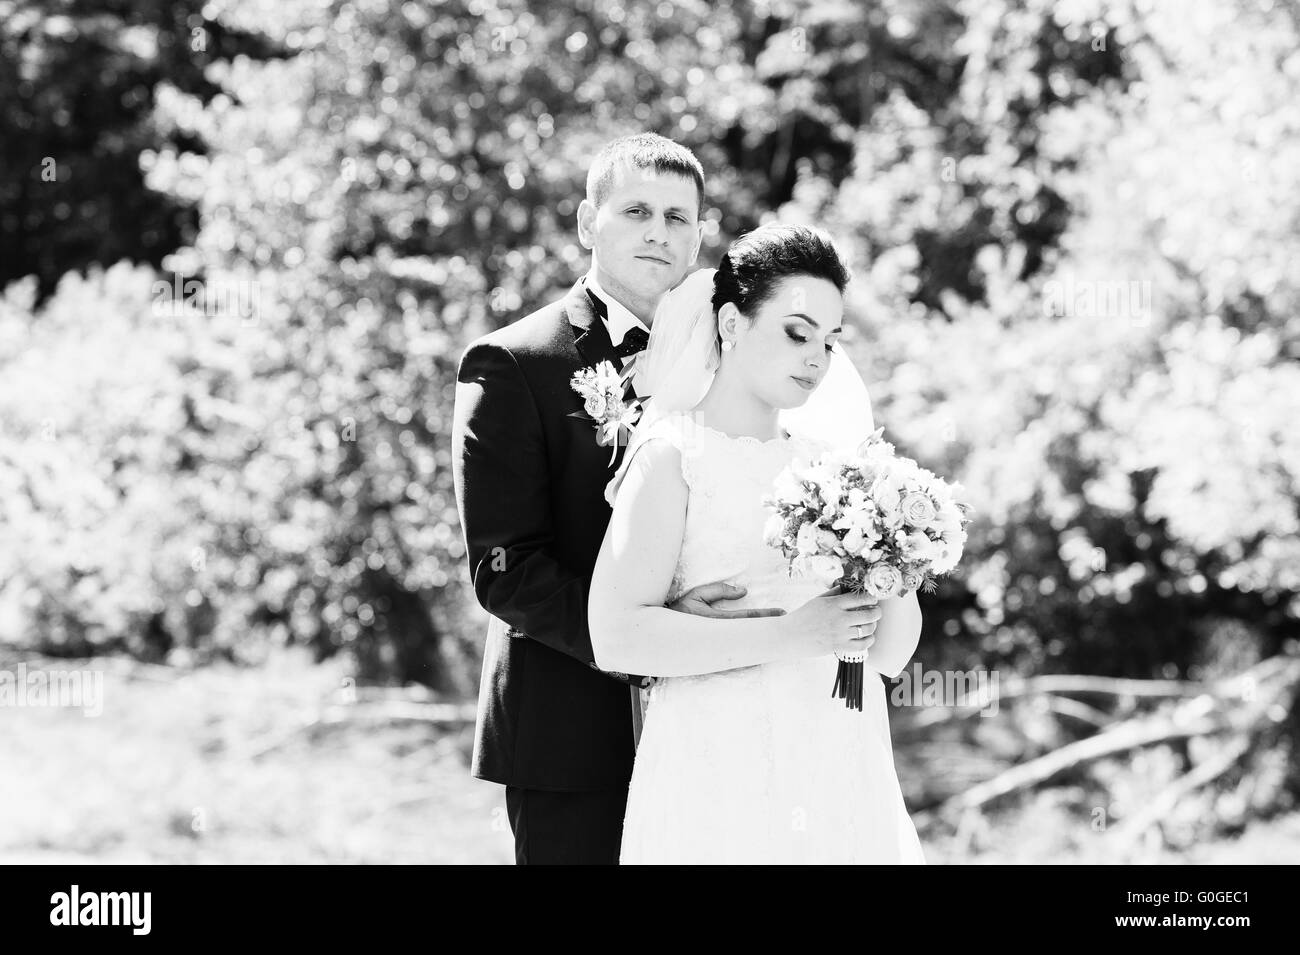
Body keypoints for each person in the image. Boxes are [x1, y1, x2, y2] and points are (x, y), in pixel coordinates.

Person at [452, 134, 794, 865]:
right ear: (587, 223)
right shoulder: (514, 363)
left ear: (701, 235)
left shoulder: (729, 360)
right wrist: (650, 638)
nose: (658, 231)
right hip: (571, 734)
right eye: (636, 210)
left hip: (720, 722)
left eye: (678, 218)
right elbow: (505, 570)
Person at [589, 224, 927, 864]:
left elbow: (887, 656)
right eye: (797, 333)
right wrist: (795, 635)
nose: (816, 359)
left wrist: (900, 560)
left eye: (829, 342)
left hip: (836, 753)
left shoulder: (839, 470)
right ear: (731, 325)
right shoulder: (674, 457)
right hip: (718, 757)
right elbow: (615, 635)